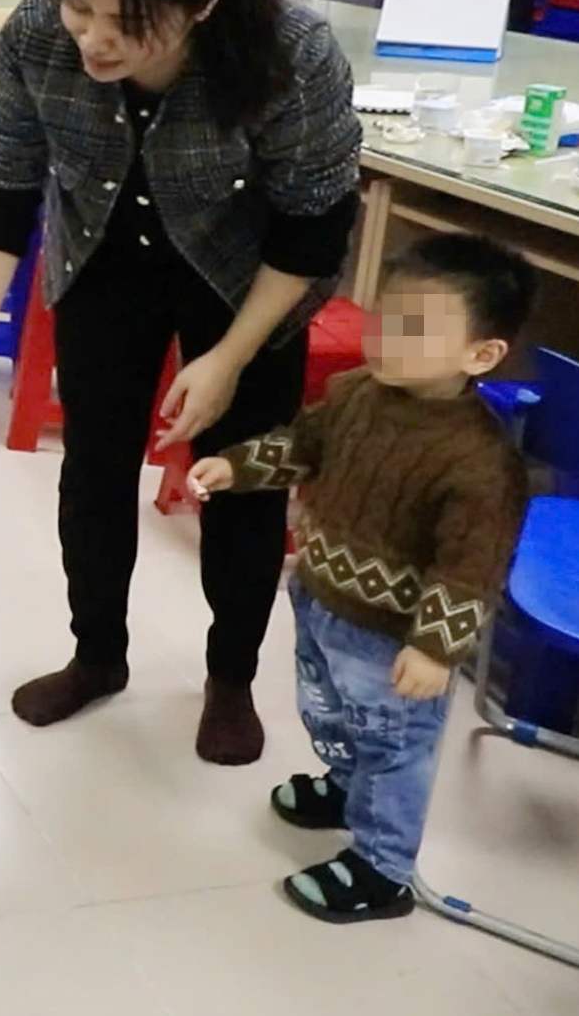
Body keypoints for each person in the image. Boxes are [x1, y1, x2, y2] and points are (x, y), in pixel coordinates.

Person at [0, 0, 362, 765]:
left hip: (248, 280)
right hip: (103, 258)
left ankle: (232, 678)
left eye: (128, 26)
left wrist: (230, 357)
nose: (93, 41)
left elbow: (314, 227)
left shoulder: (292, 57)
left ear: (203, 2)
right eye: (81, 8)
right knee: (93, 468)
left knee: (240, 480)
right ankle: (97, 655)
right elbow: (5, 187)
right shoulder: (35, 37)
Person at [188, 233, 534, 921]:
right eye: (387, 316)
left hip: (394, 639)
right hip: (323, 598)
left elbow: (471, 567)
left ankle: (383, 867)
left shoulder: (479, 464)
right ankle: (345, 788)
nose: (389, 337)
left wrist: (437, 648)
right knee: (330, 711)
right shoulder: (355, 393)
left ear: (481, 353)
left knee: (393, 745)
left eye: (419, 328)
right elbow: (303, 446)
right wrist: (238, 466)